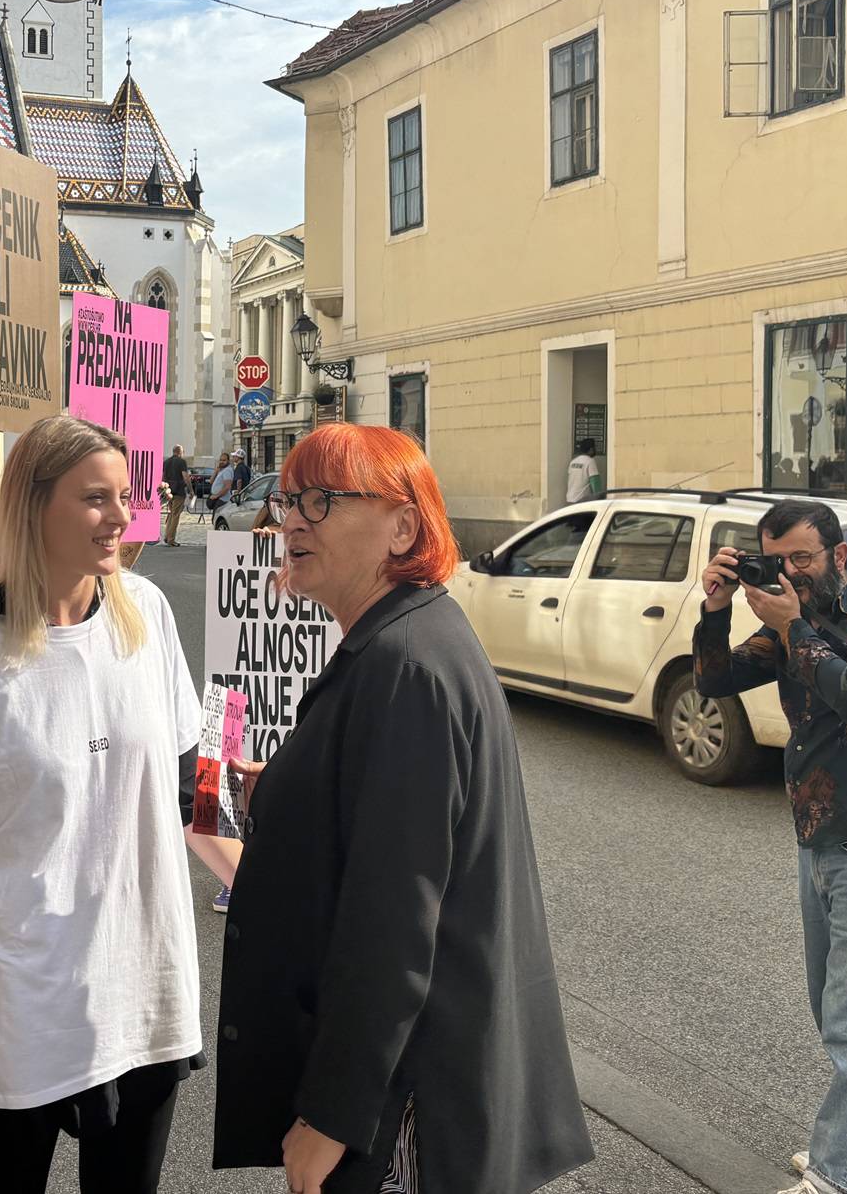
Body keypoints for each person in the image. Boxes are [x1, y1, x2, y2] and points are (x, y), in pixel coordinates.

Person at [213, 423, 592, 1194]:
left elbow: (393, 921)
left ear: (403, 527)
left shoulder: (405, 664)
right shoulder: (403, 640)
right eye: (289, 499)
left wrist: (331, 1118)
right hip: (416, 1084)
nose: (292, 521)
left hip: (412, 1105)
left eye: (321, 500)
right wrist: (279, 793)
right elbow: (377, 829)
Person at [0, 415, 239, 1194]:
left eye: (125, 496)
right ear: (34, 506)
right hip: (7, 1015)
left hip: (141, 995)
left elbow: (192, 794)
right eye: (95, 499)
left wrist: (275, 873)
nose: (120, 517)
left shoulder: (148, 614)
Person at [694, 499, 847, 1194]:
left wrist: (793, 625)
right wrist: (716, 609)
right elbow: (715, 681)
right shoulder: (793, 623)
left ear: (838, 554)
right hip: (823, 842)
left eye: (802, 559)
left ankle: (836, 1178)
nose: (790, 574)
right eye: (775, 561)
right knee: (841, 1013)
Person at [161, 445, 190, 547]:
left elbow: (163, 476)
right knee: (175, 516)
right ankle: (171, 539)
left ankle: (166, 536)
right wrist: (191, 490)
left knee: (170, 514)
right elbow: (185, 477)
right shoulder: (181, 462)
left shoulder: (166, 462)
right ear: (180, 452)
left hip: (169, 491)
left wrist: (164, 490)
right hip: (179, 491)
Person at [565, 437, 602, 504]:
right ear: (591, 449)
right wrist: (600, 500)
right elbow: (595, 485)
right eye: (595, 448)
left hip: (570, 499)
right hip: (582, 501)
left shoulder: (573, 462)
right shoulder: (590, 461)